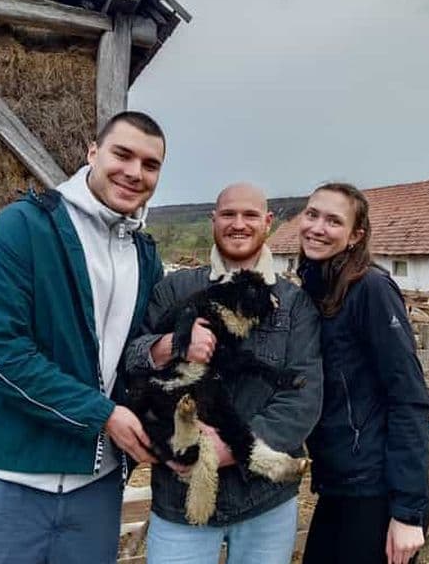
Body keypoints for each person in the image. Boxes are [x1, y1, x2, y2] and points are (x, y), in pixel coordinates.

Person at [0, 111, 167, 564]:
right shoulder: (23, 227)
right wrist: (103, 415)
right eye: (122, 154)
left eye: (150, 164)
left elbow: (133, 360)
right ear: (92, 153)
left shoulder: (146, 255)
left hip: (96, 491)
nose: (134, 172)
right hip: (6, 478)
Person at [125, 183, 323, 564]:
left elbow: (304, 396)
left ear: (268, 222)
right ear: (212, 219)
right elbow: (132, 360)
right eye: (228, 214)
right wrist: (171, 344)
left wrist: (228, 447)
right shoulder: (175, 289)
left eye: (250, 215)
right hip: (180, 497)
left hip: (264, 500)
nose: (239, 224)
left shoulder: (294, 304)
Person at [297, 182, 429, 564]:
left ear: (355, 235)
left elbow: (408, 396)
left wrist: (407, 512)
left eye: (333, 221)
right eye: (312, 214)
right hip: (340, 481)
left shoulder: (370, 289)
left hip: (375, 487)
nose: (318, 228)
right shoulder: (316, 286)